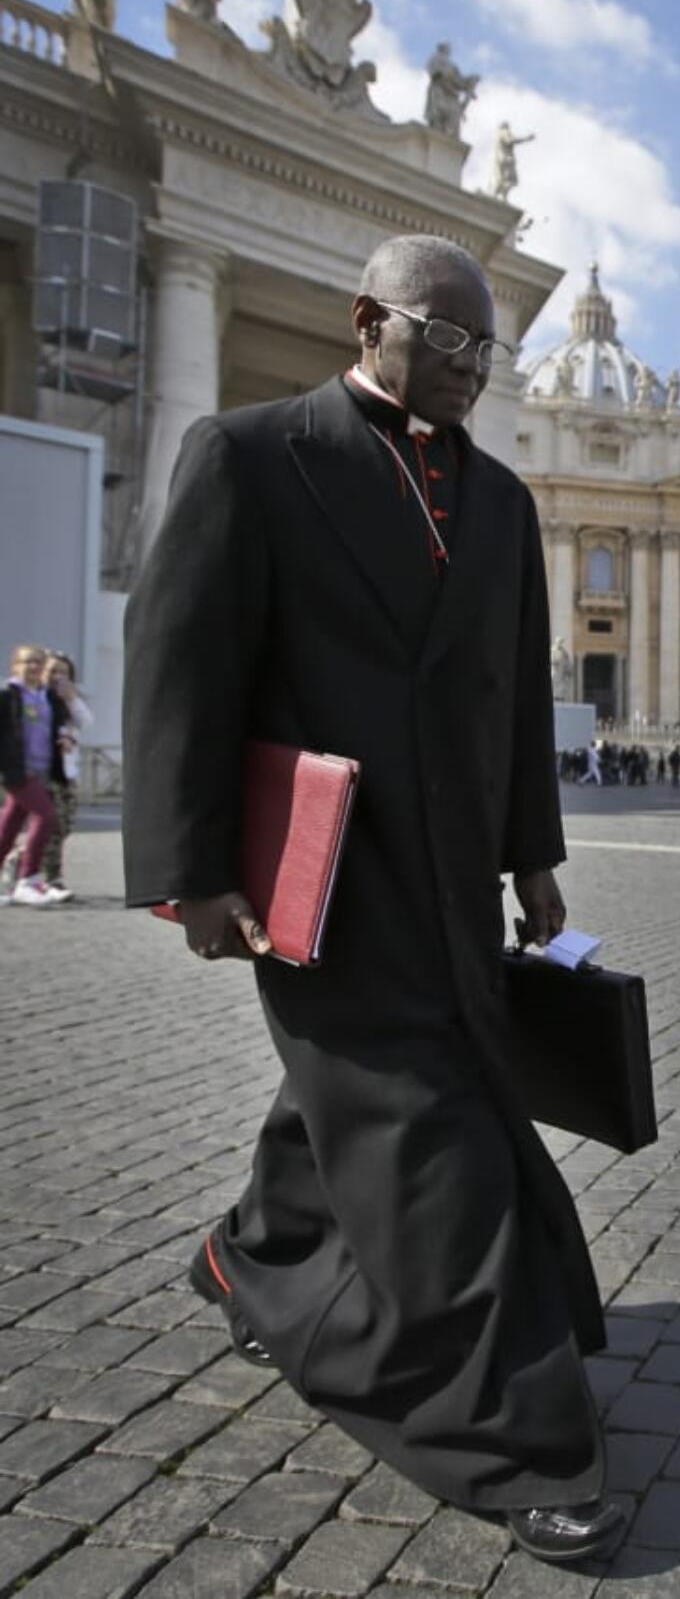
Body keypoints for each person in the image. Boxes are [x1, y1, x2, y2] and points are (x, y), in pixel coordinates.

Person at [121, 235, 624, 1564]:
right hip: (320, 868)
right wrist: (194, 873)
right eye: (446, 339)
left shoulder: (505, 504)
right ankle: (513, 1433)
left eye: (484, 350)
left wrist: (534, 860)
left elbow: (512, 701)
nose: (469, 366)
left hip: (453, 873)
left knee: (343, 1100)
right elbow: (184, 668)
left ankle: (249, 1251)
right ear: (366, 321)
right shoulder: (251, 454)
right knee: (424, 1123)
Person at [0, 645, 73, 908]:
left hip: (42, 769)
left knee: (8, 826)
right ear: (15, 665)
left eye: (38, 663)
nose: (34, 667)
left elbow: (62, 722)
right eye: (28, 662)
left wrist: (64, 735)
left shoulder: (45, 695)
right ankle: (28, 880)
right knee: (46, 817)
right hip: (18, 770)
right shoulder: (8, 694)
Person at [40, 652, 91, 896]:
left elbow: (86, 722)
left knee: (65, 826)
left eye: (63, 672)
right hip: (43, 772)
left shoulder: (69, 701)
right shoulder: (38, 697)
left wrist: (72, 699)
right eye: (52, 671)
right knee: (53, 825)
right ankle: (52, 878)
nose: (57, 677)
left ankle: (18, 856)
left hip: (66, 773)